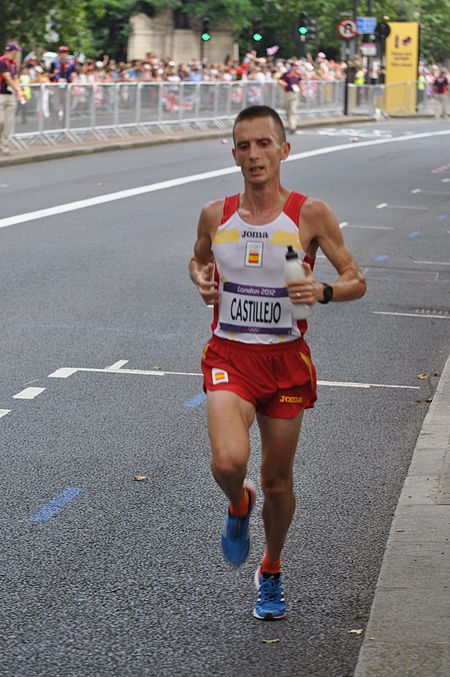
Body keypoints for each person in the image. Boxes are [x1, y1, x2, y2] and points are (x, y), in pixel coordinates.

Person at [189, 105, 366, 620]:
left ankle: (271, 567)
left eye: (264, 143)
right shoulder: (214, 214)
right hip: (230, 355)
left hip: (286, 361)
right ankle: (236, 503)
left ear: (283, 150)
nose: (253, 154)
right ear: (235, 154)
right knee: (227, 462)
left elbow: (356, 277)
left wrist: (325, 290)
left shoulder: (310, 214)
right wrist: (200, 277)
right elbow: (198, 257)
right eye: (244, 145)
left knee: (277, 482)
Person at [0, 41, 25, 155]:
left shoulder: (13, 63)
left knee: (7, 123)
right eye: (16, 51)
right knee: (0, 121)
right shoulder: (2, 61)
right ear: (12, 51)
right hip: (1, 94)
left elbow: (15, 78)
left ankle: (4, 146)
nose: (17, 53)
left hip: (10, 95)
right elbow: (7, 78)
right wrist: (18, 90)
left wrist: (19, 91)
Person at [278, 61, 302, 134]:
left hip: (295, 93)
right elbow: (279, 80)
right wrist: (284, 84)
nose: (295, 67)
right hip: (287, 93)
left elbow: (300, 83)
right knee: (288, 110)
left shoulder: (298, 74)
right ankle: (290, 125)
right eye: (294, 66)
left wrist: (302, 91)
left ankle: (293, 126)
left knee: (293, 110)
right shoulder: (286, 74)